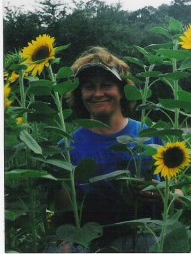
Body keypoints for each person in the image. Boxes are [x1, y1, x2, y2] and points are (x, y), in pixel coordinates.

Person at [54, 47, 163, 252]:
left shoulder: (148, 136)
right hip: (91, 243)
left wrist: (162, 192)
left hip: (145, 236)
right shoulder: (68, 146)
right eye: (88, 87)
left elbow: (175, 190)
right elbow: (65, 212)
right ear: (80, 94)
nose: (97, 93)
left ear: (122, 91)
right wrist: (67, 241)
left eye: (106, 85)